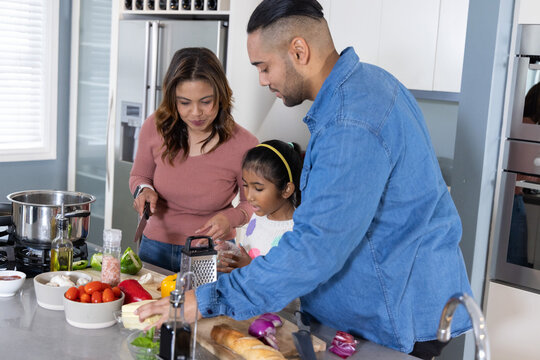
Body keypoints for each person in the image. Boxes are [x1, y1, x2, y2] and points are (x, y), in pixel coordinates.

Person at [136, 1, 473, 358]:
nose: (262, 80)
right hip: (382, 308)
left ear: (299, 50)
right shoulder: (370, 84)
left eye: (264, 67)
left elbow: (315, 247)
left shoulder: (350, 120)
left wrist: (207, 299)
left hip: (390, 319)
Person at [130, 47, 258, 273]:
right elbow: (140, 176)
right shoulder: (155, 127)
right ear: (173, 100)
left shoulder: (244, 144)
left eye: (206, 101)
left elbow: (252, 202)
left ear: (221, 96)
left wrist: (231, 217)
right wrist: (143, 190)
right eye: (184, 103)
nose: (196, 112)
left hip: (212, 252)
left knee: (208, 309)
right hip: (155, 247)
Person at [217, 140, 303, 272]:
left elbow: (285, 282)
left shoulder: (296, 232)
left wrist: (249, 267)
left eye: (258, 189)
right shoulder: (258, 216)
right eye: (245, 185)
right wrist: (231, 251)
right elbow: (250, 251)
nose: (249, 196)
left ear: (286, 190)